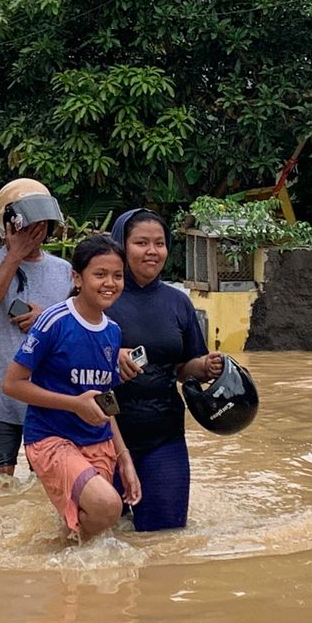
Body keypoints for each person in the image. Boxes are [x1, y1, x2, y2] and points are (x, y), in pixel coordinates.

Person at [2, 235, 140, 539]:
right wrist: (75, 403)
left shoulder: (113, 331)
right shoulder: (54, 321)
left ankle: (57, 576)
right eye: (100, 274)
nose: (110, 283)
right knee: (107, 507)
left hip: (98, 441)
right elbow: (12, 384)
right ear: (77, 278)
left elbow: (106, 401)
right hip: (51, 438)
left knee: (85, 534)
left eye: (117, 276)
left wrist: (124, 457)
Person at [106, 208, 224, 532]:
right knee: (97, 540)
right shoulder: (99, 296)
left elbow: (185, 367)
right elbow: (67, 359)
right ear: (121, 246)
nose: (152, 251)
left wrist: (205, 365)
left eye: (159, 243)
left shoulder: (178, 302)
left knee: (166, 538)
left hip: (164, 434)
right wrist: (111, 355)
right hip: (103, 436)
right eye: (141, 242)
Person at [0, 178, 73, 475]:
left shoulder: (64, 271)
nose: (34, 230)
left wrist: (46, 317)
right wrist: (14, 256)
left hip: (49, 400)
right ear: (8, 225)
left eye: (41, 221)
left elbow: (79, 328)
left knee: (49, 488)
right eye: (26, 222)